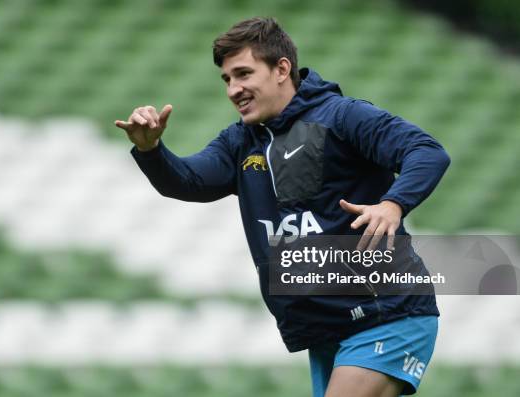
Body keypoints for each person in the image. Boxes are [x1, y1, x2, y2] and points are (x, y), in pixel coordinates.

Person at [115, 17, 450, 397]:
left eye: (243, 74)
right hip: (329, 326)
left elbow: (426, 151)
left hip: (387, 313)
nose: (233, 89)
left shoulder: (342, 116)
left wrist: (392, 204)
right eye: (227, 79)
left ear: (281, 69)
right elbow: (190, 181)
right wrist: (150, 149)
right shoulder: (241, 142)